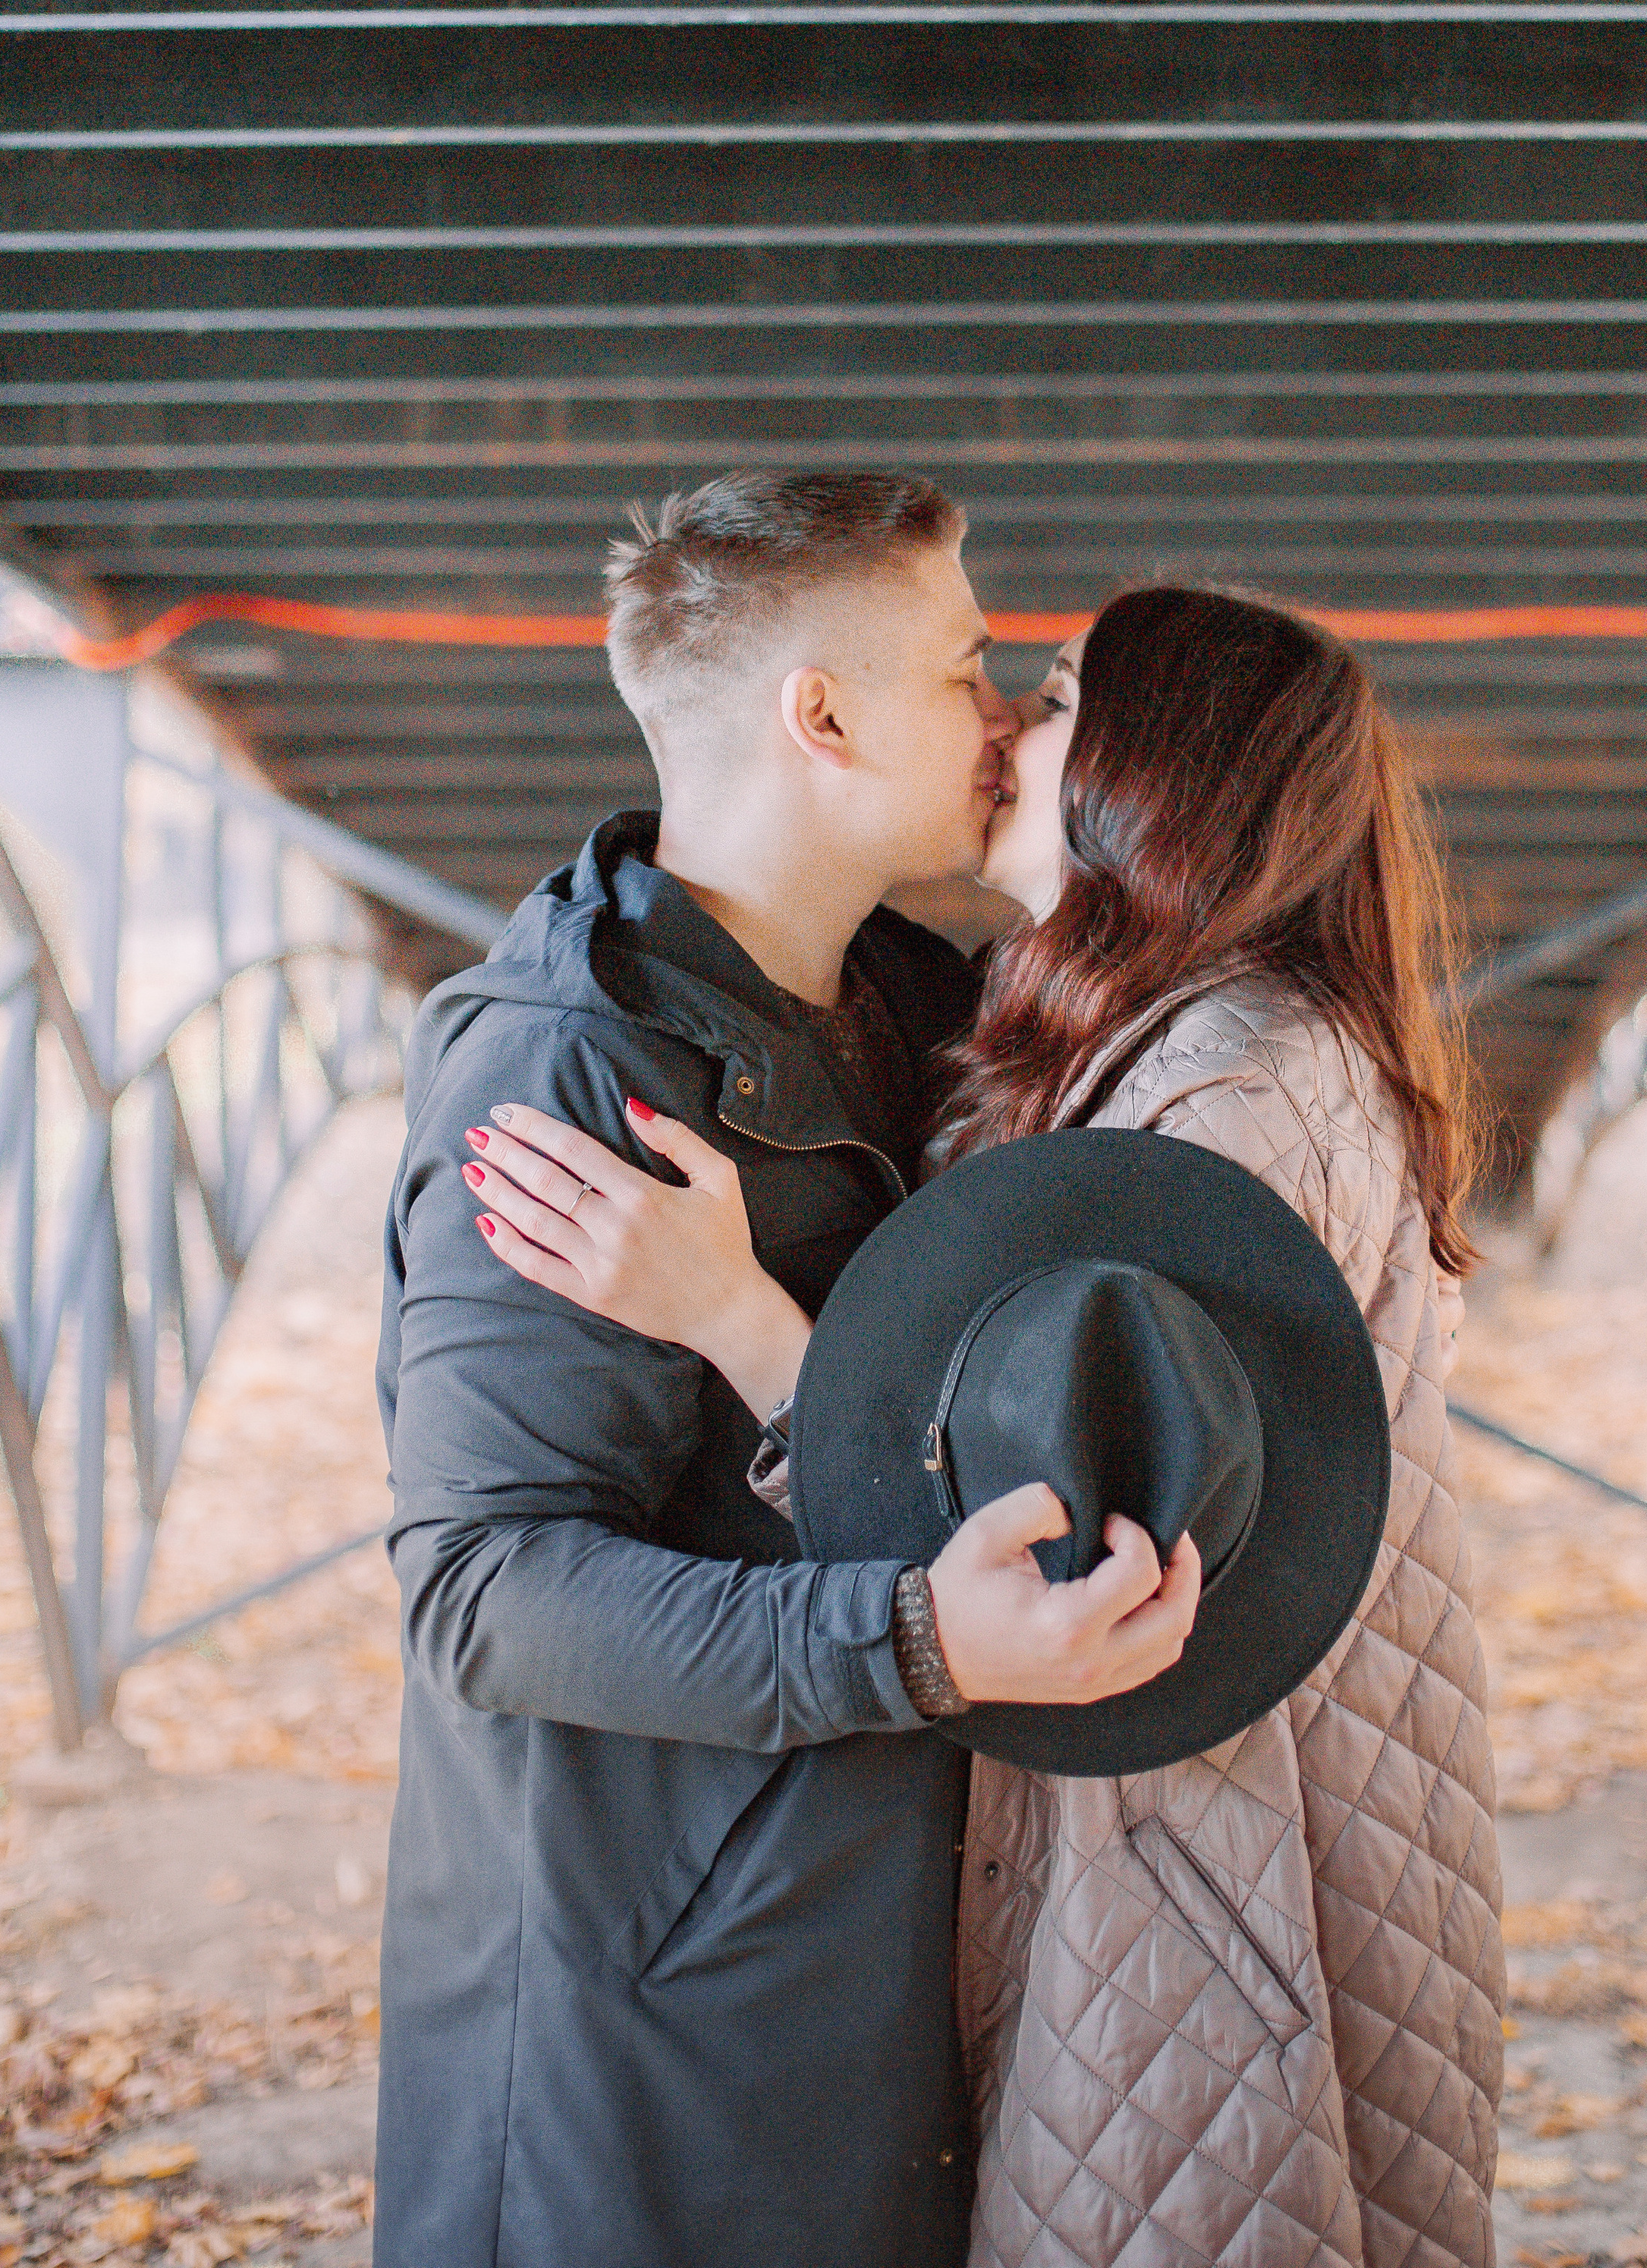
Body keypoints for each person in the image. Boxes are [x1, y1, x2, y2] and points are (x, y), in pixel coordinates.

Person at [478, 581, 1505, 2268]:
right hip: (1193, 1858)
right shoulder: (1166, 1043)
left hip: (1202, 1896)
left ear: (1160, 771)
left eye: (1055, 695)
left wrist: (729, 1314)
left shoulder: (1229, 1087)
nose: (1008, 732)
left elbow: (1066, 1544)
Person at [374, 473, 1199, 2268]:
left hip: (863, 1933)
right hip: (651, 2002)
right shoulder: (568, 1078)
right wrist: (906, 1642)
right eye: (966, 669)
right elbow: (481, 1589)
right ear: (818, 715)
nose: (1002, 720)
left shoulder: (906, 1003)